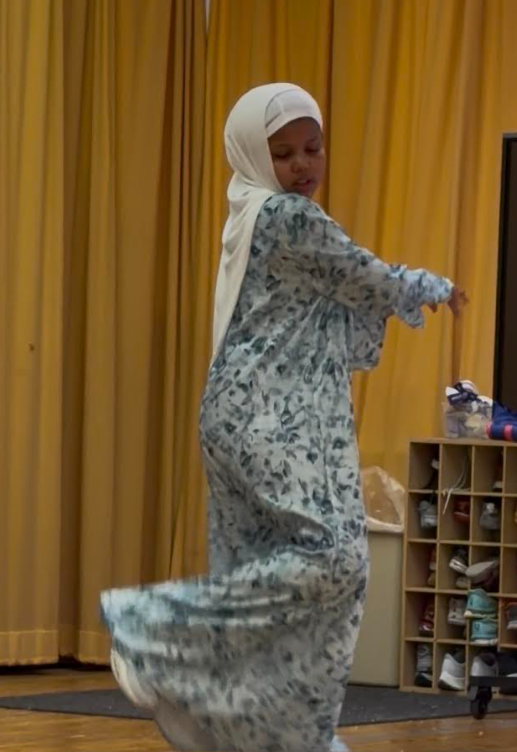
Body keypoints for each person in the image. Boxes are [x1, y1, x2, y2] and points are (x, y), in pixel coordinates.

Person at [101, 83, 467, 752]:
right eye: (283, 153)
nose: (302, 165)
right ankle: (152, 629)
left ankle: (245, 728)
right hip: (272, 415)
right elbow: (368, 278)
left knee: (269, 568)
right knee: (335, 561)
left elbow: (339, 306)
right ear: (252, 155)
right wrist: (431, 286)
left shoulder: (248, 214)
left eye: (312, 148)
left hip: (240, 416)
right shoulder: (288, 218)